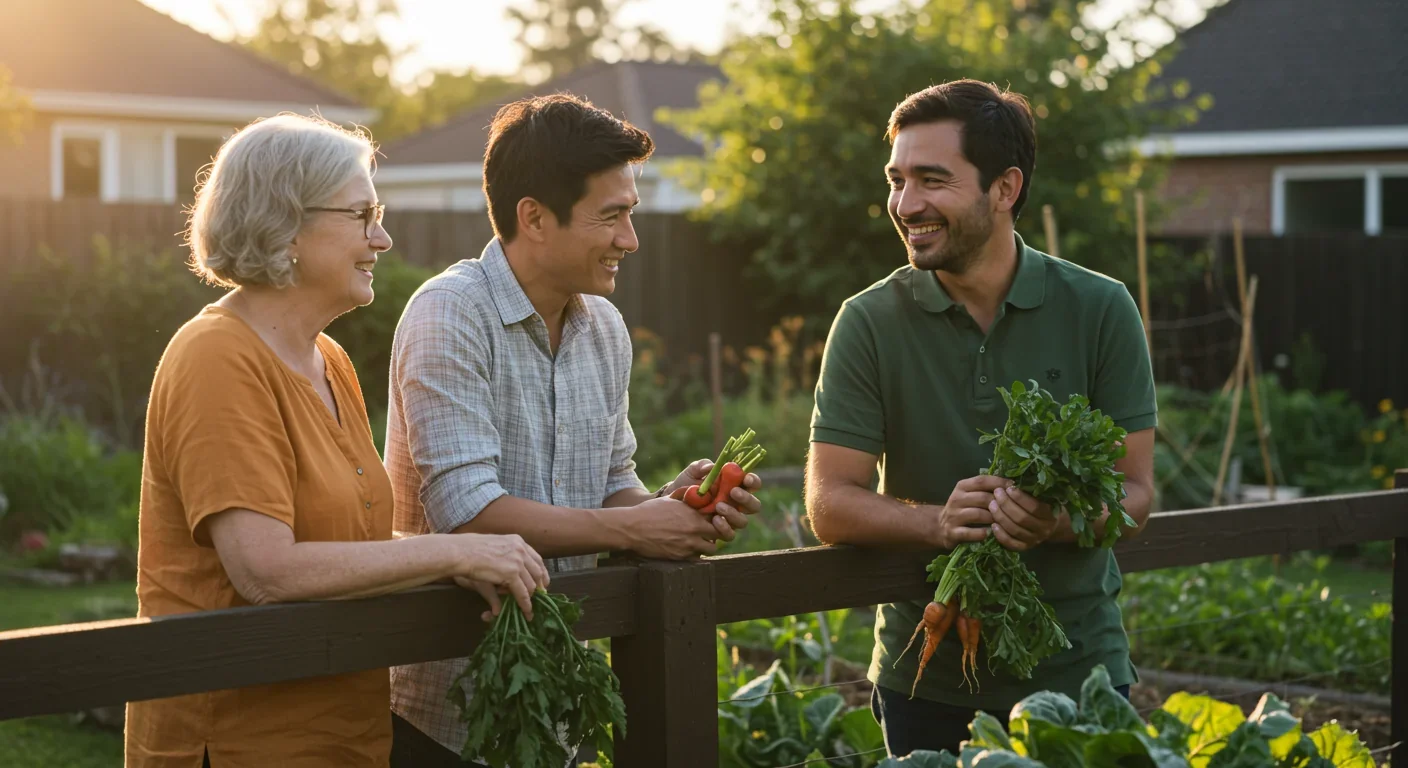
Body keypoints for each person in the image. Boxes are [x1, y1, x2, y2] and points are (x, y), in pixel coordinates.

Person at [124, 113, 551, 768]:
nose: (382, 237)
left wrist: (461, 560)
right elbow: (266, 571)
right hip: (239, 744)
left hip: (347, 737)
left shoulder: (329, 359)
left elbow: (351, 546)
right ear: (286, 224)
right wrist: (454, 549)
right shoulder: (216, 356)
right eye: (362, 215)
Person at [382, 93, 764, 766]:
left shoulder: (604, 327)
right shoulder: (450, 313)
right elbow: (468, 514)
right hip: (445, 714)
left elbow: (612, 483)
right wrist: (634, 528)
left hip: (558, 702)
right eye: (611, 216)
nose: (630, 239)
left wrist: (669, 506)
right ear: (534, 217)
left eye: (630, 214)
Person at [804, 79, 1157, 756]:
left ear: (1005, 188)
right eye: (897, 180)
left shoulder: (1101, 309)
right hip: (924, 680)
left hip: (1081, 674)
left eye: (932, 180)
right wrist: (937, 521)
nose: (906, 204)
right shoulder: (867, 321)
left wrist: (1053, 521)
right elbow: (829, 503)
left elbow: (1134, 496)